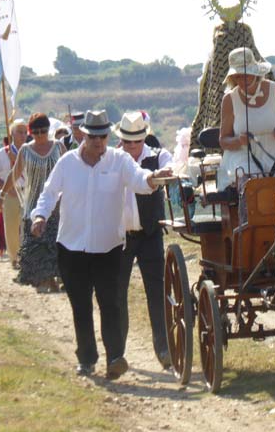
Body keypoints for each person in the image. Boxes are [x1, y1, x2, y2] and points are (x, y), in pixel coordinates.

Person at [30, 109, 173, 380]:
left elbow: (139, 179)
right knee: (81, 306)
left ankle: (115, 358)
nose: (98, 142)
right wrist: (40, 216)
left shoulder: (119, 160)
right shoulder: (68, 163)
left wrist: (154, 179)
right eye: (93, 136)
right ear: (83, 135)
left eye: (103, 136)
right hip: (71, 247)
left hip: (108, 248)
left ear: (108, 136)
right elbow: (49, 193)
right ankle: (87, 358)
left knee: (111, 304)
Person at [115, 111, 173, 368]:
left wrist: (165, 174)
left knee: (156, 293)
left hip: (149, 234)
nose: (131, 146)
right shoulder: (111, 159)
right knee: (117, 294)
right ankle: (117, 351)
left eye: (135, 141)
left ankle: (163, 347)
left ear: (144, 138)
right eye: (127, 141)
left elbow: (171, 169)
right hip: (119, 237)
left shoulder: (159, 156)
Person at [0, 113, 65, 291]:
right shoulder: (25, 150)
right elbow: (14, 174)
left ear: (49, 130)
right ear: (30, 132)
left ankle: (53, 277)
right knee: (36, 242)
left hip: (56, 203)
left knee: (55, 241)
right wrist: (1, 196)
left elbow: (69, 171)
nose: (40, 135)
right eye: (36, 132)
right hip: (33, 202)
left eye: (43, 131)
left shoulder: (58, 147)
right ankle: (41, 279)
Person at [217, 47, 275, 189]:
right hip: (243, 153)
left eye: (247, 74)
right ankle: (249, 210)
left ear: (255, 72)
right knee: (250, 181)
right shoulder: (229, 100)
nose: (243, 79)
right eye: (238, 76)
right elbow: (224, 140)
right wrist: (238, 140)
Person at [0, 119, 28, 267]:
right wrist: (5, 189)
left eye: (25, 132)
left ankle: (25, 256)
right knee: (11, 227)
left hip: (27, 192)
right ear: (12, 133)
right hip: (11, 194)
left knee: (26, 226)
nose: (23, 135)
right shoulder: (2, 153)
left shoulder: (30, 151)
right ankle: (14, 257)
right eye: (19, 132)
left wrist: (17, 160)